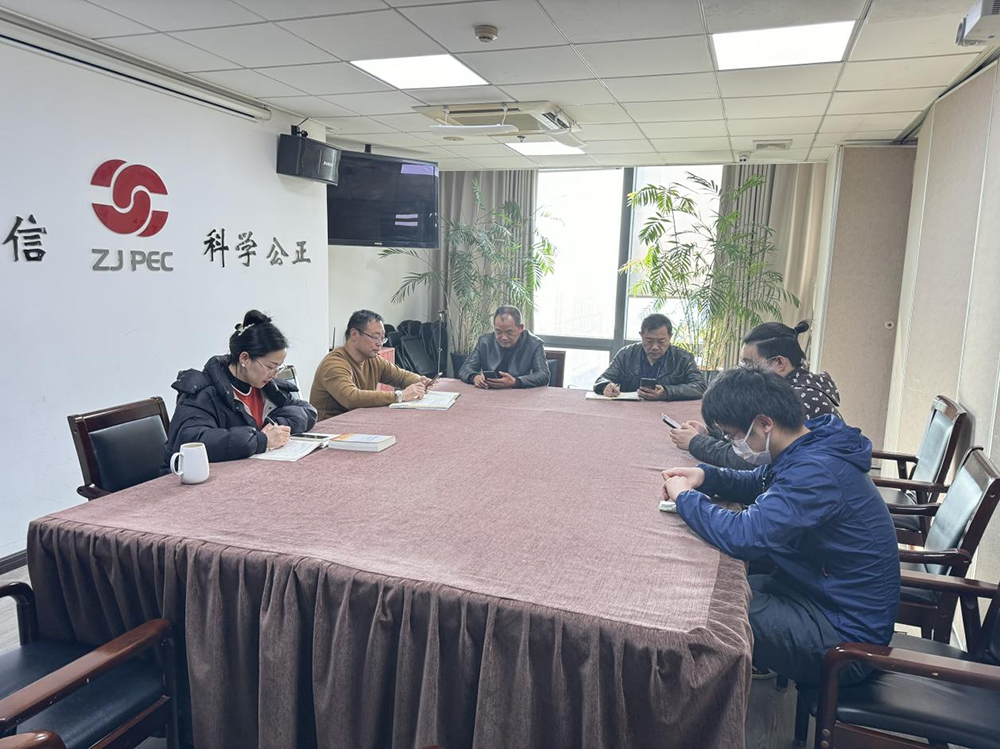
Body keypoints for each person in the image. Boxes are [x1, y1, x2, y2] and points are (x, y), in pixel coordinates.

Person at [660, 367, 899, 686]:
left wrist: (686, 498)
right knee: (719, 589)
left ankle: (700, 706)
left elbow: (744, 535)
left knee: (712, 614)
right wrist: (705, 476)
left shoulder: (816, 471)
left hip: (844, 636)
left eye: (733, 436)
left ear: (764, 423)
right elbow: (758, 481)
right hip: (817, 593)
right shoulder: (810, 443)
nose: (733, 444)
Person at [671, 320, 841, 469]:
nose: (744, 371)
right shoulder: (796, 386)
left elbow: (755, 462)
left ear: (779, 362)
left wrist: (696, 443)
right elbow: (754, 439)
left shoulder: (800, 398)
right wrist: (713, 433)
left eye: (750, 364)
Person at [163, 310, 318, 467]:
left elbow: (308, 411)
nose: (275, 374)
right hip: (197, 476)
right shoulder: (203, 393)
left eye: (279, 367)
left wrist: (276, 423)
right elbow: (193, 441)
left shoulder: (267, 388)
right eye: (270, 367)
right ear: (244, 358)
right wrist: (260, 440)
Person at [309, 309, 434, 420]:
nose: (380, 343)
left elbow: (400, 376)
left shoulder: (372, 359)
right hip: (332, 429)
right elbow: (351, 398)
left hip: (360, 422)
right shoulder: (334, 364)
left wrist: (420, 381)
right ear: (354, 334)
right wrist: (400, 396)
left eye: (382, 338)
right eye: (375, 337)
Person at [593, 313, 706, 400]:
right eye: (649, 341)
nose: (655, 347)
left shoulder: (683, 358)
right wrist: (606, 386)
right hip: (629, 411)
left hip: (667, 412)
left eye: (661, 341)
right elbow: (602, 379)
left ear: (670, 337)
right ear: (641, 336)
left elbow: (700, 387)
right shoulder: (626, 354)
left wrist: (667, 392)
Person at [457, 305, 551, 389]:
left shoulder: (534, 343)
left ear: (520, 328)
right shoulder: (485, 342)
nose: (504, 337)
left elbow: (543, 375)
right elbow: (465, 369)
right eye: (498, 331)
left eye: (509, 332)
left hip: (519, 394)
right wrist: (474, 377)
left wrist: (515, 382)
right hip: (489, 393)